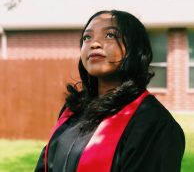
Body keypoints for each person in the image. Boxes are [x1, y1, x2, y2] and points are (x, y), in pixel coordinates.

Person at [35, 10, 185, 172]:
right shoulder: (73, 111)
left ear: (135, 49)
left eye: (110, 35)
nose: (94, 44)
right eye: (87, 37)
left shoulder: (152, 123)